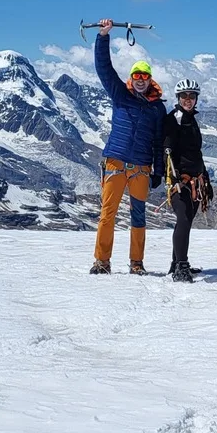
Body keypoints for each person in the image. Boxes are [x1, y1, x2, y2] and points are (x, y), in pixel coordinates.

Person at [91, 18, 166, 275]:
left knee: (138, 215)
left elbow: (158, 142)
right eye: (136, 75)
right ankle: (102, 261)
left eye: (145, 76)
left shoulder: (157, 108)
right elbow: (104, 68)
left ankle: (137, 262)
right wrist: (103, 37)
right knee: (107, 213)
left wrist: (158, 171)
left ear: (150, 79)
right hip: (115, 161)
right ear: (131, 78)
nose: (141, 79)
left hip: (141, 167)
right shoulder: (119, 94)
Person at [163, 78, 214, 283]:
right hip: (180, 180)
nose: (188, 99)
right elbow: (167, 150)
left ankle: (177, 262)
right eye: (184, 95)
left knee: (186, 221)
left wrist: (205, 177)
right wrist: (174, 177)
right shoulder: (173, 119)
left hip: (195, 179)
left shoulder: (191, 119)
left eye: (192, 96)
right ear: (178, 97)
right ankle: (181, 266)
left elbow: (195, 153)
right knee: (183, 219)